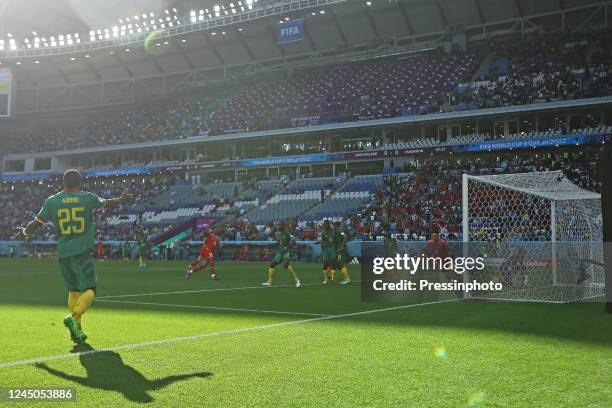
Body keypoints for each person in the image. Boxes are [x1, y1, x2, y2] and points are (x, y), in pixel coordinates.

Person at [15, 169, 134, 344]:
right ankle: (74, 316)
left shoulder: (52, 201)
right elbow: (108, 202)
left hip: (63, 252)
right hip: (81, 250)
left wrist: (25, 232)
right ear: (80, 182)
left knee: (74, 290)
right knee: (90, 289)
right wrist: (122, 200)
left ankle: (77, 330)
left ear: (64, 182)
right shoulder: (88, 198)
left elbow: (36, 223)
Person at [261, 222, 300, 287]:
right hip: (280, 252)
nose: (278, 227)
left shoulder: (288, 233)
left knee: (285, 265)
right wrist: (272, 245)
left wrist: (286, 247)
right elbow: (280, 242)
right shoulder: (281, 234)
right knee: (272, 264)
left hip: (287, 252)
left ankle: (297, 279)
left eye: (280, 225)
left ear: (283, 226)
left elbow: (294, 242)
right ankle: (269, 282)